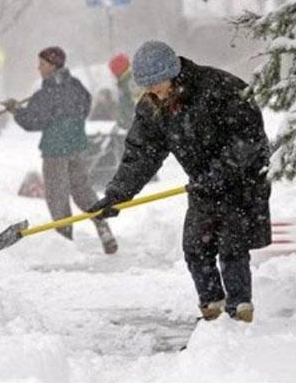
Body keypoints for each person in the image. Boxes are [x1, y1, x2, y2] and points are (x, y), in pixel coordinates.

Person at [88, 41, 271, 322]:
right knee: (196, 247)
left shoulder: (219, 87)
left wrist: (220, 173)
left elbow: (249, 138)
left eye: (157, 83)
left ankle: (240, 311)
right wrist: (117, 195)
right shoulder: (153, 106)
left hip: (240, 181)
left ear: (172, 73)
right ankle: (212, 310)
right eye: (147, 85)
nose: (152, 91)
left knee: (232, 246)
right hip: (202, 186)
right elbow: (141, 154)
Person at [1, 46, 118, 254]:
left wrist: (15, 109)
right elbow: (85, 107)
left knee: (57, 195)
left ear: (53, 65)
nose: (38, 68)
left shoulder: (46, 93)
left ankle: (65, 241)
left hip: (55, 151)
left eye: (42, 64)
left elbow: (31, 121)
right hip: (77, 147)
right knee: (83, 191)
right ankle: (103, 228)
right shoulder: (76, 86)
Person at [108, 53, 137, 130]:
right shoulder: (123, 82)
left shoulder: (130, 82)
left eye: (113, 70)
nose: (112, 74)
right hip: (129, 124)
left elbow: (138, 102)